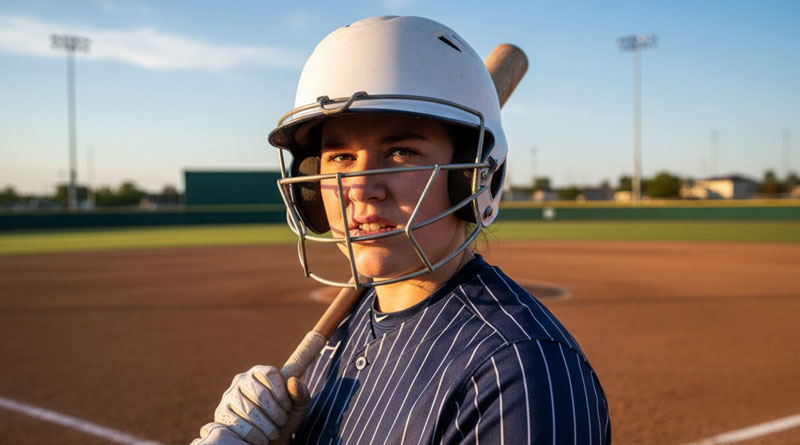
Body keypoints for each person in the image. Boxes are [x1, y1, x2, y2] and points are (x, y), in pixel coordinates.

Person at [192, 15, 610, 444]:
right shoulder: (350, 325)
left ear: (474, 176)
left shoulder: (520, 374)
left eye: (401, 151)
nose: (360, 188)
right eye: (339, 157)